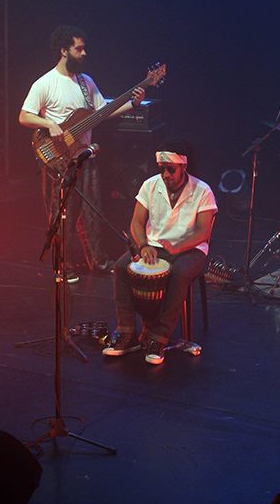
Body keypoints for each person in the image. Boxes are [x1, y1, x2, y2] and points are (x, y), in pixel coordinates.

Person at [18, 25, 145, 281]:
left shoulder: (86, 82)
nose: (84, 53)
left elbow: (103, 112)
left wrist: (133, 103)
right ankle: (61, 265)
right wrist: (49, 124)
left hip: (85, 156)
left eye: (84, 48)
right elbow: (24, 116)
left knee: (92, 212)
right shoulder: (45, 83)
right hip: (59, 159)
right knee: (61, 214)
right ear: (64, 50)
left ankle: (98, 261)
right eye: (79, 49)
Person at [102, 140, 217, 365]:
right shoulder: (150, 185)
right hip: (154, 246)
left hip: (191, 250)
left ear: (183, 167)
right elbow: (136, 222)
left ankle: (159, 337)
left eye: (170, 169)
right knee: (121, 267)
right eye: (162, 168)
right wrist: (143, 245)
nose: (165, 174)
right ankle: (127, 332)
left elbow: (203, 232)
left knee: (179, 273)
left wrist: (179, 247)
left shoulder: (202, 190)